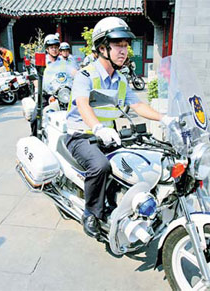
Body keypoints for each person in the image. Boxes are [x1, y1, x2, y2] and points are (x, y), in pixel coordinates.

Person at [66, 17, 176, 238]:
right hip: (82, 136)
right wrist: (98, 128)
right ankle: (91, 213)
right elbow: (83, 105)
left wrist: (165, 118)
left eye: (126, 45)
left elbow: (138, 105)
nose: (124, 50)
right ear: (102, 48)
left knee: (135, 163)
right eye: (118, 45)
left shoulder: (121, 80)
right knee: (100, 166)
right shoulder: (86, 75)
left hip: (107, 137)